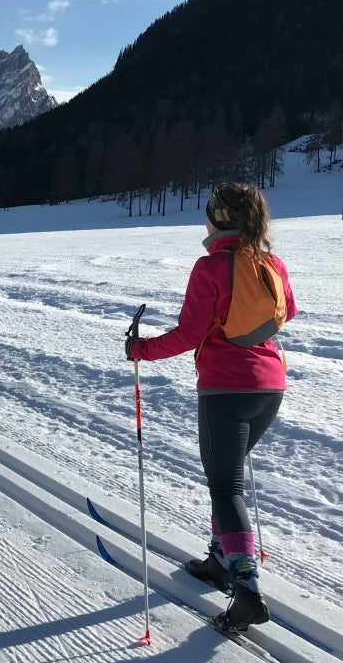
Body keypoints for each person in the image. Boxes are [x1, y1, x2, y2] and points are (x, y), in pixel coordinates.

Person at [125, 182, 297, 632]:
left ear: (219, 219)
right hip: (270, 387)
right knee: (230, 475)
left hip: (225, 389)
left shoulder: (210, 267)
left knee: (225, 487)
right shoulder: (271, 264)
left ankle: (246, 590)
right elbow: (287, 313)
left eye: (208, 213)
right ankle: (221, 561)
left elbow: (187, 335)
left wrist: (140, 350)